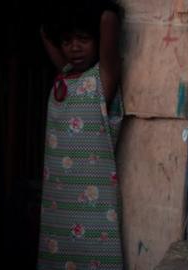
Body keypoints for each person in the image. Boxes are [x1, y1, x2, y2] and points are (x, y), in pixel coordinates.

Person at [38, 0, 124, 269]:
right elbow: (45, 33)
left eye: (84, 39)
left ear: (98, 39)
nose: (75, 47)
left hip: (93, 209)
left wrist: (97, 7)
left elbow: (109, 19)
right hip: (58, 205)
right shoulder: (64, 76)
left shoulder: (102, 79)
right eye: (67, 41)